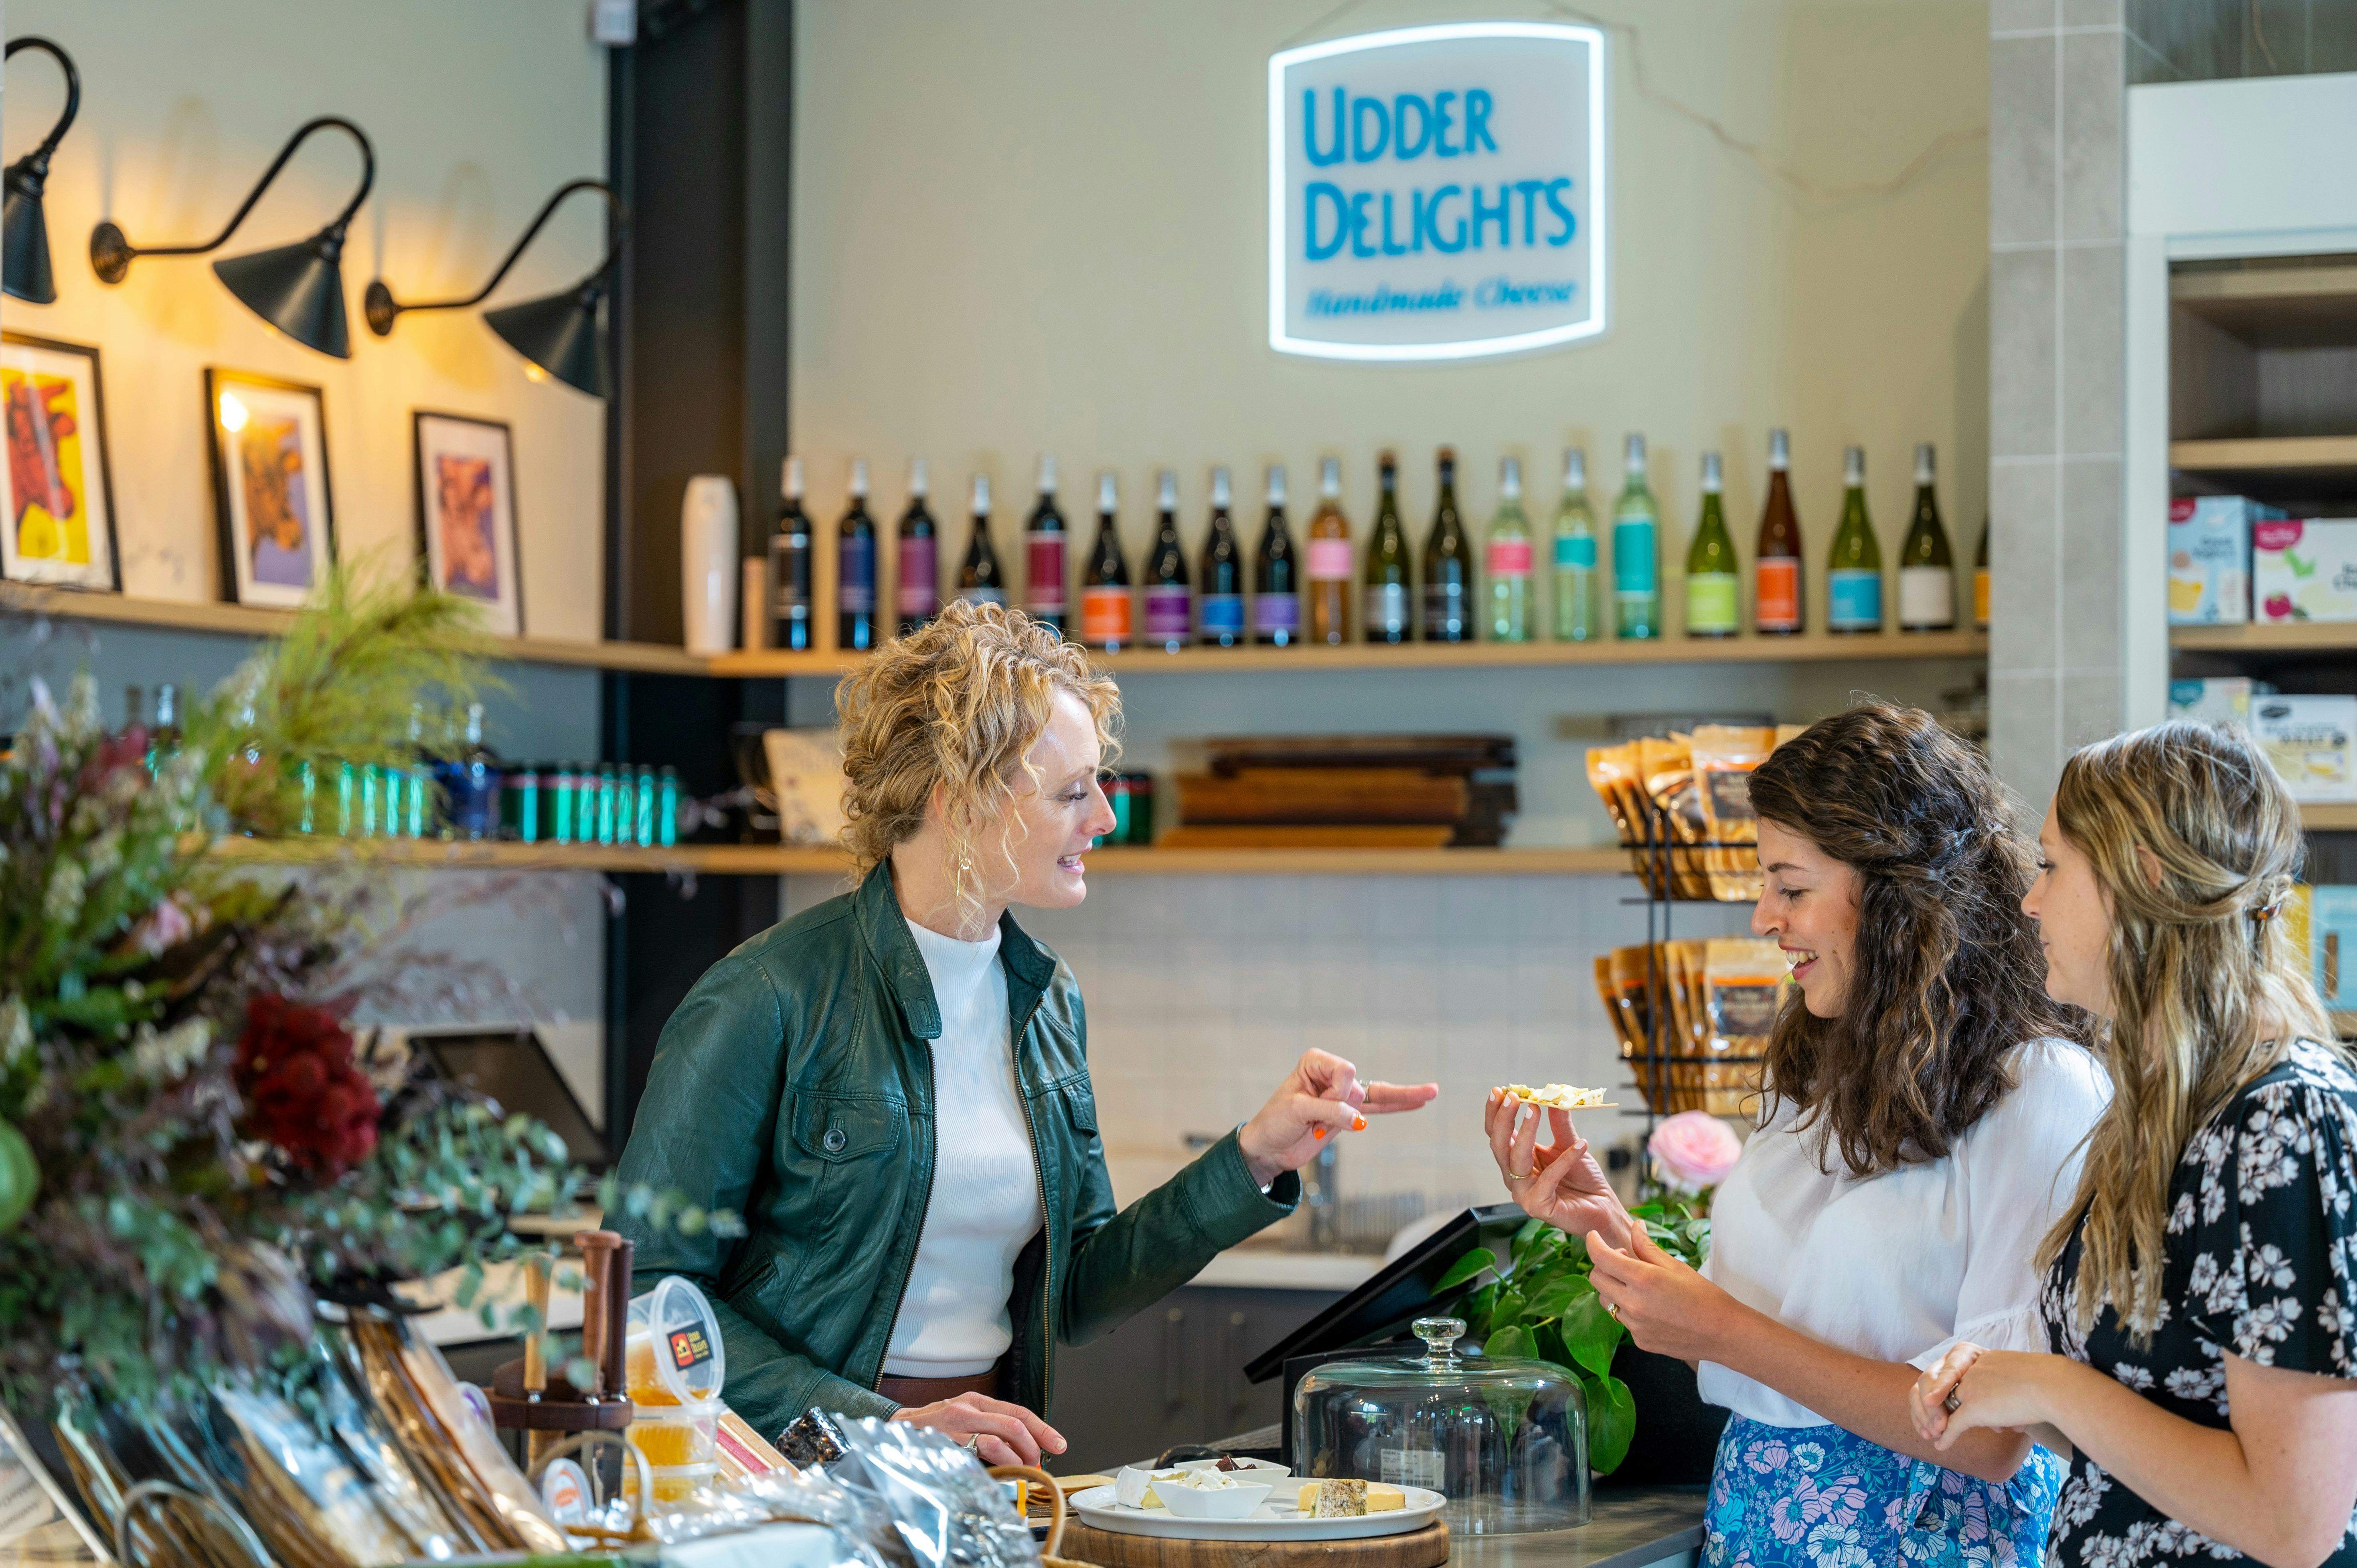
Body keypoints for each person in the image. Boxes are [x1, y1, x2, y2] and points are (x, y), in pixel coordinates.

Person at [614, 600, 1437, 1459]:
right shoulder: (766, 994)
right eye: (1072, 792)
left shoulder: (1044, 996)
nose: (1104, 819)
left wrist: (1255, 1158)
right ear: (960, 803)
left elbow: (1074, 1289)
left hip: (984, 1458)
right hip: (800, 1470)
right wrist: (877, 1428)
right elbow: (647, 1295)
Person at [1487, 700, 2109, 1568]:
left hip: (1924, 1542)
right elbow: (1756, 1332)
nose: (1761, 918)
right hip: (1757, 1527)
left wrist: (1724, 1334)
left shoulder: (2038, 1089)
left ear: (1895, 899)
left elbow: (1989, 1438)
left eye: (1790, 887)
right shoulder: (1819, 1065)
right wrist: (1606, 1227)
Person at [1909, 721, 2357, 1568]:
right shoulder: (2165, 1105)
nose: (2028, 901)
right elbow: (2162, 1431)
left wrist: (2054, 1386)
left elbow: (2293, 1524)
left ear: (2141, 878)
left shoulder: (2281, 1119)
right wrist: (2015, 1393)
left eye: (2050, 867)